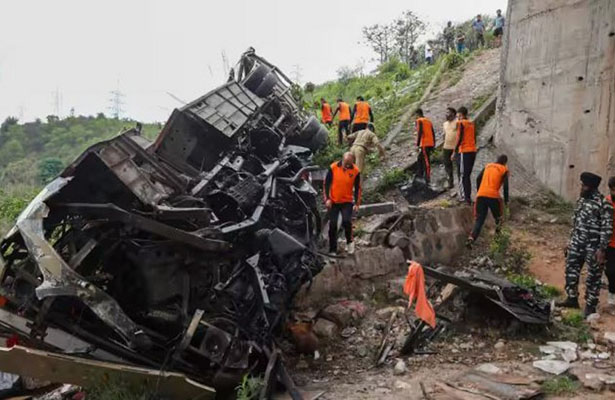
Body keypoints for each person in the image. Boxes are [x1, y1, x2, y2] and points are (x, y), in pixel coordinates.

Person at [557, 172, 613, 317]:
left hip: (593, 247)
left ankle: (590, 305)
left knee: (593, 277)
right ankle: (572, 298)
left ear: (590, 187)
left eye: (583, 185)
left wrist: (602, 249)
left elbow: (607, 228)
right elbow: (575, 223)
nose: (581, 187)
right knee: (571, 271)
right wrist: (569, 241)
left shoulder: (604, 204)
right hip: (577, 243)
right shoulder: (581, 201)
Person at [324, 152, 362, 255]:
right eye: (346, 163)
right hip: (334, 201)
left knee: (346, 221)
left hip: (347, 201)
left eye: (349, 164)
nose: (347, 165)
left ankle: (350, 243)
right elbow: (326, 184)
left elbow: (358, 188)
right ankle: (332, 249)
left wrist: (357, 204)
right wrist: (327, 199)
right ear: (342, 160)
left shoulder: (355, 171)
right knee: (333, 225)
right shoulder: (333, 167)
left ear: (352, 162)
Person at [467, 155, 509, 246]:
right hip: (493, 196)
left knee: (479, 220)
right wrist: (506, 202)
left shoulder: (488, 166)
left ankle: (471, 238)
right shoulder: (504, 169)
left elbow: (478, 178)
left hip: (481, 196)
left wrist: (479, 191)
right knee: (499, 219)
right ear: (505, 162)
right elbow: (506, 187)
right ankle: (497, 240)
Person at [452, 106, 477, 205]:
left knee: (462, 175)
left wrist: (455, 151)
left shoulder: (460, 123)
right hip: (472, 151)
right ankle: (468, 197)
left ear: (461, 114)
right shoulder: (471, 124)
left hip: (464, 151)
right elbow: (474, 137)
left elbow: (459, 138)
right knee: (467, 175)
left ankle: (464, 197)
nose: (457, 117)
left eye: (458, 115)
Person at [414, 109, 435, 183]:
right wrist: (434, 144)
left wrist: (417, 144)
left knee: (426, 161)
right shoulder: (428, 121)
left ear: (417, 114)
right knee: (420, 158)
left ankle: (427, 178)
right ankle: (419, 174)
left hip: (424, 143)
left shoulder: (419, 121)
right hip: (430, 143)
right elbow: (433, 132)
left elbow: (419, 132)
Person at [604, 177, 615, 306]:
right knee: (611, 271)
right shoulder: (606, 202)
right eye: (612, 190)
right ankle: (612, 294)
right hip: (610, 243)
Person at [442, 107, 457, 189]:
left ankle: (461, 184)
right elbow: (444, 135)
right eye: (446, 112)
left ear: (453, 114)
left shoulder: (458, 122)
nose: (446, 114)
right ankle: (450, 183)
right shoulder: (445, 124)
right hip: (446, 147)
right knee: (447, 165)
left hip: (456, 147)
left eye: (448, 112)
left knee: (459, 165)